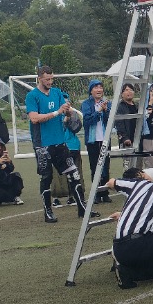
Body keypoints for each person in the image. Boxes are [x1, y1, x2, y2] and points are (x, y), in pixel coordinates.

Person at [26, 66, 97, 223]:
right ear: (39, 78)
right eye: (47, 79)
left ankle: (82, 208)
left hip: (60, 142)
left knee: (74, 173)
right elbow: (34, 118)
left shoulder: (57, 93)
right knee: (46, 177)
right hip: (42, 144)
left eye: (52, 79)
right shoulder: (32, 96)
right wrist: (57, 112)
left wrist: (67, 111)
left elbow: (63, 114)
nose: (50, 82)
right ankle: (48, 212)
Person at [81, 79, 112, 203]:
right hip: (93, 141)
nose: (99, 90)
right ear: (91, 91)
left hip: (105, 139)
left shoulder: (107, 103)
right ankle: (96, 194)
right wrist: (98, 111)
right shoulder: (86, 104)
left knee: (105, 166)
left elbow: (110, 120)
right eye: (96, 87)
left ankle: (105, 193)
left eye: (100, 87)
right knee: (95, 167)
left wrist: (105, 111)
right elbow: (87, 121)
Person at [115, 83, 139, 170]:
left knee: (138, 167)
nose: (129, 92)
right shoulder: (120, 107)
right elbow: (119, 124)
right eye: (126, 90)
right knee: (129, 168)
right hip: (128, 141)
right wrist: (124, 138)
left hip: (138, 140)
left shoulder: (137, 106)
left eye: (131, 90)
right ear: (122, 94)